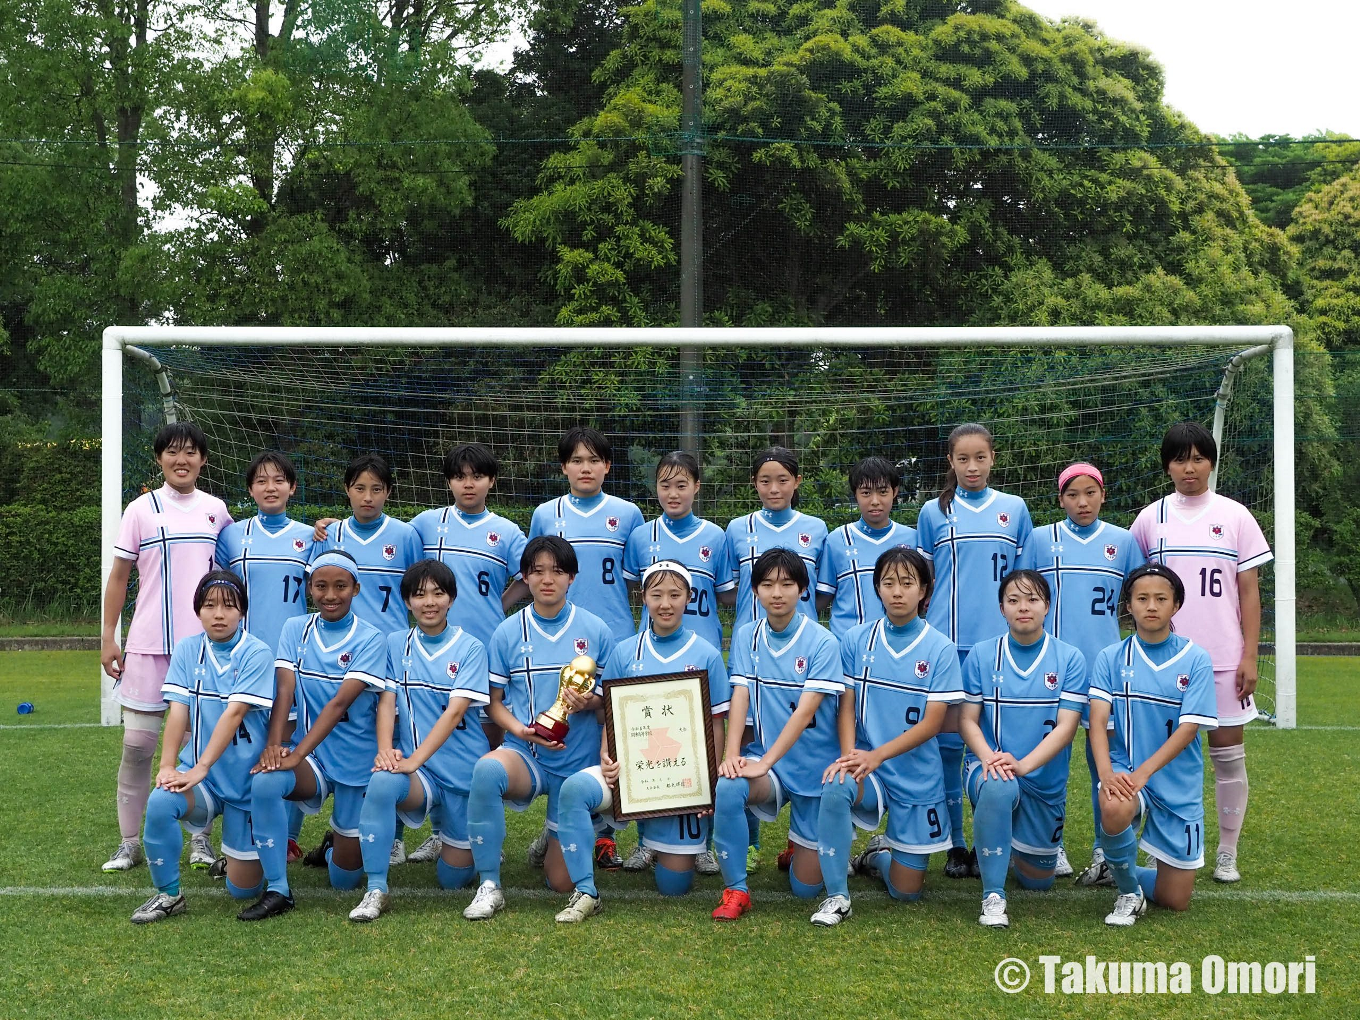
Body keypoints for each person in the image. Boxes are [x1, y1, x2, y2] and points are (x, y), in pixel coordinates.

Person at [1129, 422, 1271, 884]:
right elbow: (1137, 587)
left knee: (1227, 755)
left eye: (1198, 458)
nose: (1189, 468)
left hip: (1224, 657)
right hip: (1162, 661)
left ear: (1211, 461)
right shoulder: (1151, 519)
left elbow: (1248, 593)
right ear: (1167, 465)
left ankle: (1227, 852)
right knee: (1158, 756)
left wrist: (1250, 655)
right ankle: (1159, 848)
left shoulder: (1235, 516)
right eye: (1179, 459)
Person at [553, 560, 732, 921]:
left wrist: (707, 781)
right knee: (574, 790)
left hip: (677, 780)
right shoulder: (625, 652)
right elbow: (612, 715)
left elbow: (715, 723)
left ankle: (654, 840)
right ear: (643, 598)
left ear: (688, 598)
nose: (665, 603)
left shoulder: (708, 654)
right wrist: (606, 754)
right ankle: (586, 891)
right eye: (656, 595)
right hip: (629, 773)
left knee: (674, 885)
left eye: (674, 595)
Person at [102, 422, 232, 874]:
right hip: (148, 646)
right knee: (138, 747)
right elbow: (119, 577)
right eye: (173, 452)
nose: (182, 460)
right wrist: (108, 636)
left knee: (200, 750)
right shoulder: (140, 509)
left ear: (203, 460)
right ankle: (129, 842)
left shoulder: (217, 510)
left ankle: (201, 840)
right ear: (160, 459)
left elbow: (232, 577)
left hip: (203, 652)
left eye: (191, 452)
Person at [462, 537, 615, 920]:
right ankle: (490, 885)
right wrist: (521, 730)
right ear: (526, 577)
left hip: (577, 760)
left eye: (557, 571)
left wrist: (591, 701)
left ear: (572, 577)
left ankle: (556, 834)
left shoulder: (596, 630)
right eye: (538, 571)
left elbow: (611, 702)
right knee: (486, 770)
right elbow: (494, 704)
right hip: (526, 753)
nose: (548, 579)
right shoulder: (507, 632)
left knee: (561, 882)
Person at [815, 547, 962, 926]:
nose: (897, 592)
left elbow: (932, 724)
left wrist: (876, 755)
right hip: (869, 771)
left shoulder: (941, 648)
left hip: (914, 775)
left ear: (924, 590)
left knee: (906, 891)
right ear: (877, 588)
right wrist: (851, 754)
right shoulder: (855, 640)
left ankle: (874, 857)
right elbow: (844, 706)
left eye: (907, 583)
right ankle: (837, 898)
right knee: (836, 784)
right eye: (888, 583)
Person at [915, 423, 1033, 879]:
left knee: (994, 745)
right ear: (951, 462)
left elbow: (1022, 585)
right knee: (946, 746)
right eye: (962, 459)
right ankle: (955, 843)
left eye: (979, 457)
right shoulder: (932, 512)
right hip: (947, 648)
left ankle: (1002, 838)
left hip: (999, 650)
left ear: (993, 459)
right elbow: (924, 579)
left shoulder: (1015, 509)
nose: (971, 467)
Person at [243, 550, 387, 920]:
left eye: (341, 586)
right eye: (321, 586)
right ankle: (278, 888)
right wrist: (276, 747)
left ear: (356, 589)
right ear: (309, 588)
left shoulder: (372, 638)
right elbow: (285, 692)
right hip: (316, 758)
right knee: (266, 781)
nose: (330, 595)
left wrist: (293, 752)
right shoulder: (296, 629)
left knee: (343, 880)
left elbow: (339, 704)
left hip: (358, 761)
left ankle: (331, 847)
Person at [1018, 462, 1144, 883]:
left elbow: (1142, 596)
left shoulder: (1123, 542)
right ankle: (1048, 846)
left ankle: (1104, 850)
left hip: (1104, 671)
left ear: (1103, 495)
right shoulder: (1039, 539)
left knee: (1102, 762)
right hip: (1049, 671)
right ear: (1060, 500)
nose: (1082, 501)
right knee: (1047, 762)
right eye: (1073, 495)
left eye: (1090, 493)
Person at [709, 548, 846, 922]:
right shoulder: (745, 635)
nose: (777, 592)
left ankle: (801, 850)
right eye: (767, 584)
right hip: (770, 764)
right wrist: (733, 754)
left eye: (787, 583)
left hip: (816, 771)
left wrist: (765, 761)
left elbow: (804, 713)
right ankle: (736, 889)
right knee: (730, 785)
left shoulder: (822, 642)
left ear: (803, 589)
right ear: (755, 591)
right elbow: (740, 693)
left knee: (804, 889)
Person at [408, 442, 529, 863]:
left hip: (486, 650)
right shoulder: (425, 524)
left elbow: (529, 576)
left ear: (491, 481)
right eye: (460, 476)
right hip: (435, 651)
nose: (468, 483)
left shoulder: (508, 531)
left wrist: (499, 604)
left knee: (482, 742)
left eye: (477, 476)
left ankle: (474, 831)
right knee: (438, 738)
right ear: (449, 482)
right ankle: (442, 831)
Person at [528, 428, 643, 870]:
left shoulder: (628, 514)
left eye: (594, 460)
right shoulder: (545, 513)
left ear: (608, 466)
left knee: (607, 728)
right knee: (558, 722)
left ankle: (605, 833)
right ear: (564, 467)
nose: (585, 468)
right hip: (556, 636)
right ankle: (558, 822)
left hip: (611, 635)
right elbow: (532, 572)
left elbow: (638, 578)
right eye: (577, 460)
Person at [350, 560, 490, 921]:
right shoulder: (396, 643)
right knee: (381, 781)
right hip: (419, 774)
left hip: (462, 773)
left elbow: (455, 713)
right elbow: (387, 700)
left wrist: (412, 760)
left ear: (452, 599)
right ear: (408, 602)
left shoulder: (471, 647)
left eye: (438, 593)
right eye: (419, 594)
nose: (429, 601)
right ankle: (376, 889)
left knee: (452, 880)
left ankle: (458, 838)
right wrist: (386, 750)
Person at [131, 571, 274, 923]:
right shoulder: (187, 648)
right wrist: (167, 765)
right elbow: (177, 711)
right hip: (203, 781)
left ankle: (236, 857)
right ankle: (169, 895)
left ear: (242, 611)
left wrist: (203, 765)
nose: (219, 614)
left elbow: (235, 712)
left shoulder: (257, 652)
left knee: (243, 890)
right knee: (162, 800)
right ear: (198, 611)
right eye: (209, 605)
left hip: (245, 781)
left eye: (229, 605)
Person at [1089, 563, 1217, 927]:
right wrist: (1107, 774)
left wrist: (1145, 772)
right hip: (1127, 772)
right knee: (1113, 803)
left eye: (1161, 598)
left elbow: (1188, 729)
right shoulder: (1111, 657)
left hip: (1176, 783)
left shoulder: (1195, 659)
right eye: (1141, 598)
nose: (1151, 606)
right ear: (1128, 604)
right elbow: (1097, 723)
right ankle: (1128, 891)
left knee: (1175, 900)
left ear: (1176, 604)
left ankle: (1116, 867)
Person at [311, 453, 423, 865]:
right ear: (347, 491)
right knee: (348, 734)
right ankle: (344, 827)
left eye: (377, 489)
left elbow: (419, 588)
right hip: (341, 651)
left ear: (388, 493)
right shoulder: (329, 533)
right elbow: (318, 585)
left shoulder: (406, 535)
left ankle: (391, 834)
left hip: (390, 650)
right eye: (360, 488)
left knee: (389, 736)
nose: (368, 496)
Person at [957, 569, 1085, 929]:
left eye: (1032, 600)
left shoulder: (1070, 658)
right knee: (998, 785)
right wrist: (987, 757)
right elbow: (967, 720)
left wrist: (1024, 766)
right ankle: (993, 895)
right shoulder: (982, 655)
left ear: (1047, 606)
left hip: (1041, 780)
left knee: (1038, 882)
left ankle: (1002, 840)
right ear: (1002, 608)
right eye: (1013, 600)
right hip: (989, 766)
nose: (1023, 607)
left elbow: (1067, 727)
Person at [723, 446, 829, 872]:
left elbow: (824, 592)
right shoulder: (735, 529)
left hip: (801, 655)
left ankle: (798, 841)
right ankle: (747, 845)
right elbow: (730, 587)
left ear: (797, 482)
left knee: (800, 739)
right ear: (754, 484)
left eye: (783, 480)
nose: (774, 488)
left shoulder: (818, 528)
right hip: (754, 650)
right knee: (747, 743)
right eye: (765, 480)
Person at [215, 450, 317, 863]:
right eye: (261, 481)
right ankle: (239, 838)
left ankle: (287, 836)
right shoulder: (232, 536)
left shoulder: (312, 536)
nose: (270, 487)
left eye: (278, 480)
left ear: (292, 487)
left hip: (292, 661)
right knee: (243, 745)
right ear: (250, 489)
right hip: (243, 662)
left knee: (286, 747)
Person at [622, 451, 734, 655]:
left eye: (681, 486)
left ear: (696, 486)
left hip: (703, 650)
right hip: (652, 651)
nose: (673, 494)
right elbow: (625, 591)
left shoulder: (715, 536)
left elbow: (724, 594)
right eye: (665, 486)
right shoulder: (640, 537)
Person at [815, 456, 918, 638]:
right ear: (855, 494)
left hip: (899, 646)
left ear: (895, 492)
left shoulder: (912, 539)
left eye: (883, 492)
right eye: (866, 493)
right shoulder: (837, 540)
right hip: (847, 648)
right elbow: (823, 598)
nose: (875, 500)